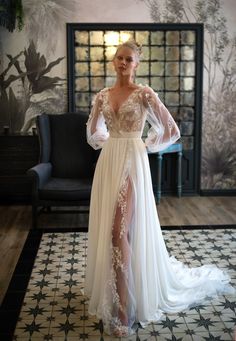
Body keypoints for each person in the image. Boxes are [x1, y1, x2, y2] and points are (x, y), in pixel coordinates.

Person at [84, 40, 234, 337]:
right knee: (113, 233)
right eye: (119, 58)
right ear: (113, 62)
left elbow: (171, 129)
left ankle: (124, 309)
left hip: (131, 161)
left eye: (129, 59)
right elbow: (92, 132)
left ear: (136, 64)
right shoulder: (102, 95)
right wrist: (109, 144)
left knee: (119, 233)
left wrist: (143, 146)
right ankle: (117, 294)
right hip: (109, 161)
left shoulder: (144, 94)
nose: (123, 63)